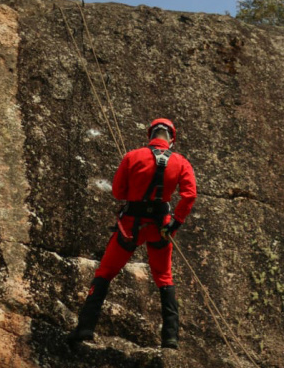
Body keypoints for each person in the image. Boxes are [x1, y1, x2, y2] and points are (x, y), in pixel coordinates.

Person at [68, 118, 197, 349]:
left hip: (130, 225)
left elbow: (118, 192)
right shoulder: (180, 162)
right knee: (164, 277)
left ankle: (85, 327)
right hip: (160, 227)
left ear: (150, 135)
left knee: (105, 272)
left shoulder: (133, 157)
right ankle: (170, 337)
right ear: (172, 139)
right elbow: (190, 195)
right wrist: (176, 222)